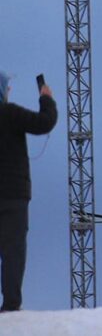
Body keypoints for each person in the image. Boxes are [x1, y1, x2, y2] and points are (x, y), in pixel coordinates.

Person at [0, 71, 57, 312]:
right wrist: (46, 98)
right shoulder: (11, 114)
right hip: (13, 194)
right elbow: (45, 123)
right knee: (13, 250)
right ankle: (11, 304)